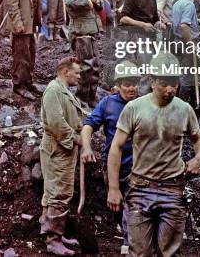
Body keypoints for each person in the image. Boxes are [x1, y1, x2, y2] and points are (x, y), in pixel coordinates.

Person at [108, 52, 200, 257]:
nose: (170, 90)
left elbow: (198, 139)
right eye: (164, 83)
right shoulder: (134, 108)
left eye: (174, 84)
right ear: (152, 81)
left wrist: (199, 158)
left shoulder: (184, 110)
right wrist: (113, 187)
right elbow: (116, 147)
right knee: (140, 252)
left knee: (168, 252)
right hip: (140, 187)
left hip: (172, 188)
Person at [81, 63, 139, 254]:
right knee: (118, 204)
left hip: (138, 167)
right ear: (118, 84)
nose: (131, 88)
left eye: (135, 83)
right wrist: (87, 147)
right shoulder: (108, 104)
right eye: (127, 84)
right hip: (113, 166)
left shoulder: (144, 103)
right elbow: (89, 125)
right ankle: (124, 234)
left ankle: (129, 245)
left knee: (134, 207)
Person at [39, 56, 85, 256]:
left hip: (62, 150)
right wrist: (76, 139)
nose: (79, 76)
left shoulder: (63, 91)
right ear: (66, 72)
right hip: (58, 149)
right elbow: (56, 122)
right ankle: (53, 239)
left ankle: (52, 232)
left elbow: (72, 116)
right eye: (77, 72)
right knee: (59, 193)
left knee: (54, 191)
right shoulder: (53, 90)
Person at [7, 0, 43, 99]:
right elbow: (12, 3)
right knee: (21, 54)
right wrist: (17, 22)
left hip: (31, 21)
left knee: (30, 53)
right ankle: (19, 84)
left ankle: (28, 81)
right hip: (21, 23)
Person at [64, 0, 102, 106]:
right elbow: (70, 2)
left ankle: (91, 95)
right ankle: (82, 98)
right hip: (81, 34)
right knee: (85, 67)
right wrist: (88, 1)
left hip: (90, 32)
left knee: (95, 66)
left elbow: (96, 7)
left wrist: (97, 1)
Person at [171, 0, 200, 104]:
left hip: (177, 40)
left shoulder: (178, 3)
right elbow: (184, 26)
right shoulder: (189, 5)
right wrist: (190, 43)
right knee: (188, 74)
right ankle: (184, 103)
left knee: (181, 72)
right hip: (185, 41)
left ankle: (178, 98)